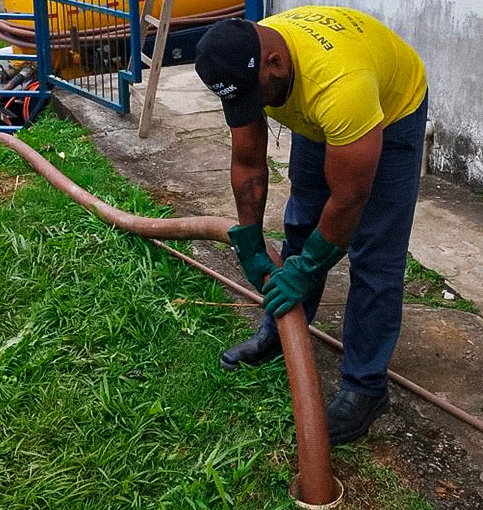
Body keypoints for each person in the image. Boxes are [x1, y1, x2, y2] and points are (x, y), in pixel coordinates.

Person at [194, 5, 428, 445]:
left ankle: (365, 386)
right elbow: (248, 162)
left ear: (276, 64)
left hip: (391, 110)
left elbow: (350, 198)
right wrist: (248, 239)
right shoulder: (248, 62)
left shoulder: (341, 89)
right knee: (302, 222)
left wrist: (307, 268)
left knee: (375, 255)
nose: (252, 108)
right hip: (324, 109)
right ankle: (280, 333)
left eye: (255, 95)